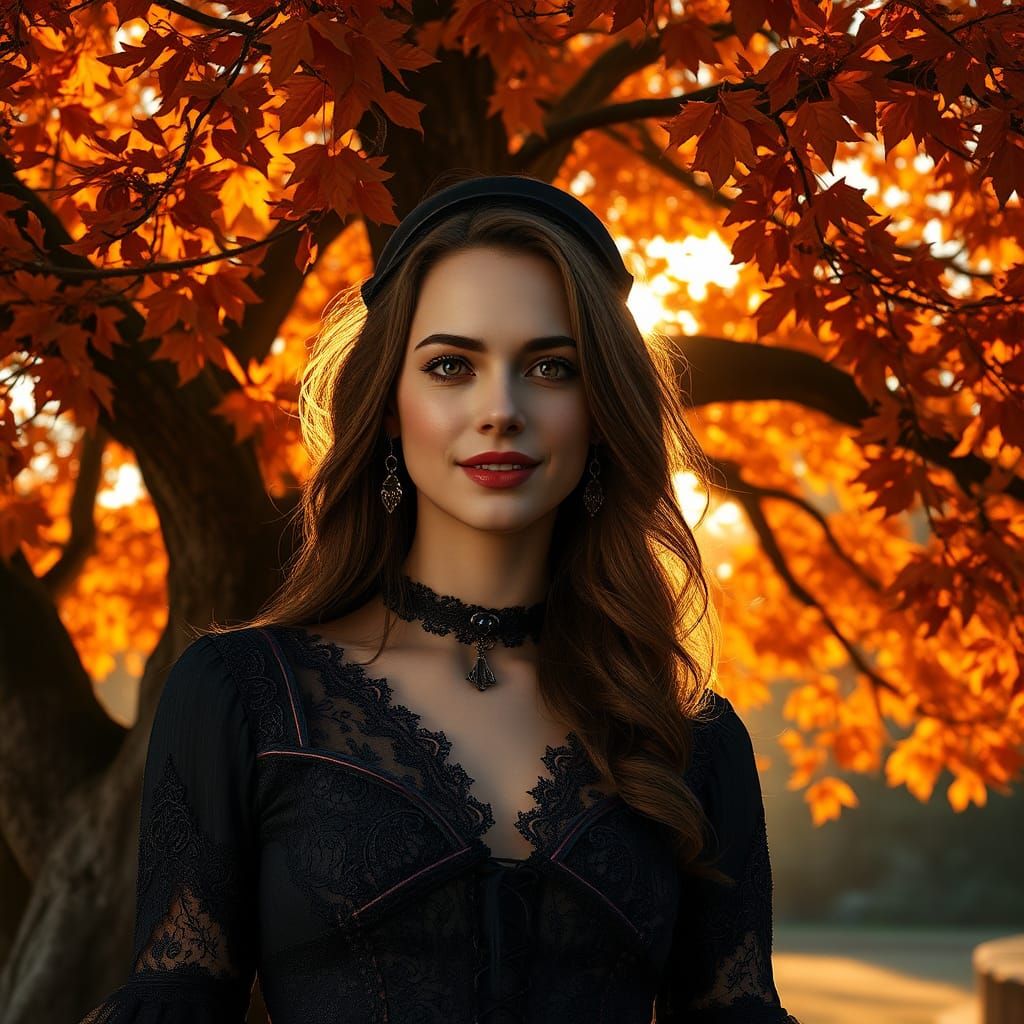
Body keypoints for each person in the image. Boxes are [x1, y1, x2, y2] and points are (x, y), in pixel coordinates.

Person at [76, 173, 801, 1023]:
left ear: (603, 409)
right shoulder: (244, 697)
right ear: (389, 405)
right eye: (452, 366)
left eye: (553, 367)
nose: (501, 410)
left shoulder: (692, 741)